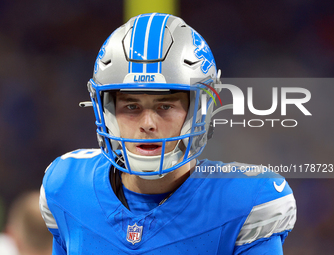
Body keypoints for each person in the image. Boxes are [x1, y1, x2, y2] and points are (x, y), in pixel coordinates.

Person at [39, 13, 296, 254]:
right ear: (106, 111)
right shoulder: (66, 186)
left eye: (165, 106)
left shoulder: (246, 200)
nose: (148, 123)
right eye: (131, 106)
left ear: (200, 110)